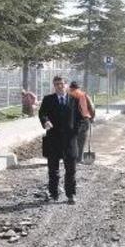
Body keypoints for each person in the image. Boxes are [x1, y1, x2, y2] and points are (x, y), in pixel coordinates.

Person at [38, 76, 82, 204]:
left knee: (71, 170)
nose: (59, 86)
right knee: (53, 170)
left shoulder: (74, 100)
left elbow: (80, 118)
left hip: (69, 141)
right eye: (57, 84)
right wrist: (45, 121)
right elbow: (42, 113)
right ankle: (53, 193)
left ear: (66, 85)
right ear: (54, 86)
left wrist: (75, 131)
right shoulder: (48, 99)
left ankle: (71, 194)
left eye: (62, 84)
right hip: (53, 140)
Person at [68, 81, 96, 164]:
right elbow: (91, 107)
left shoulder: (68, 95)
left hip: (72, 122)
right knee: (81, 140)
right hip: (84, 120)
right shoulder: (84, 95)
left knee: (72, 140)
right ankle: (79, 159)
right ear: (78, 88)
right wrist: (92, 117)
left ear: (71, 88)